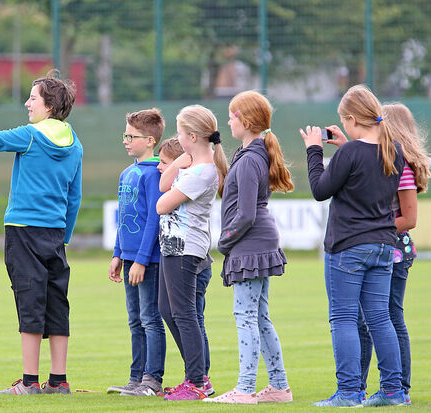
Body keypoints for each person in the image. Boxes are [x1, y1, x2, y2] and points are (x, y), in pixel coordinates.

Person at [0, 70, 82, 395]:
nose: (27, 103)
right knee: (57, 303)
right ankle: (58, 381)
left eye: (33, 98)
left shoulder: (31, 135)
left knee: (29, 300)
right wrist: (64, 236)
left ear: (49, 105)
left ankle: (29, 382)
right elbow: (75, 197)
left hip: (23, 231)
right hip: (55, 234)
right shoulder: (76, 145)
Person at [300, 85, 407, 407]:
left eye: (343, 121)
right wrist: (346, 145)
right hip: (384, 245)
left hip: (348, 247)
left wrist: (314, 150)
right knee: (380, 319)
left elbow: (320, 190)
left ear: (350, 118)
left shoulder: (350, 153)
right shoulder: (393, 149)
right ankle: (393, 391)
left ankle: (349, 392)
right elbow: (366, 171)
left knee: (344, 318)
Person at [207, 91, 294, 405]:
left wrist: (224, 241)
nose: (228, 120)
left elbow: (245, 214)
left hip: (250, 244)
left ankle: (245, 389)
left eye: (231, 115)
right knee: (259, 316)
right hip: (259, 242)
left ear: (245, 120)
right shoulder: (252, 155)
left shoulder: (249, 160)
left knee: (245, 316)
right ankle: (279, 387)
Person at [355, 103, 431, 405]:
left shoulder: (403, 168)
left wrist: (371, 228)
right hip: (386, 246)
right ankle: (360, 387)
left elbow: (409, 219)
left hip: (394, 250)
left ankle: (399, 388)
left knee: (388, 318)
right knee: (370, 318)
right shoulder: (390, 161)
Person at [155, 105, 228, 401]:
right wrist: (180, 160)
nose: (178, 138)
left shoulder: (203, 172)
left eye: (181, 133)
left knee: (185, 314)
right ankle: (196, 376)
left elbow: (162, 204)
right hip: (173, 246)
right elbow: (163, 184)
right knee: (166, 310)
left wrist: (186, 163)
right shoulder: (192, 165)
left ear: (193, 136)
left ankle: (197, 381)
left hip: (185, 248)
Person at [106, 108, 167, 397]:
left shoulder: (153, 174)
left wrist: (141, 260)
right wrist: (119, 254)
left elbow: (155, 218)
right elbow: (123, 218)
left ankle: (152, 380)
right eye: (124, 135)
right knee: (135, 320)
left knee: (150, 318)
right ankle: (135, 379)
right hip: (129, 257)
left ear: (151, 140)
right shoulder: (127, 173)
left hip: (148, 260)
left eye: (131, 136)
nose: (126, 141)